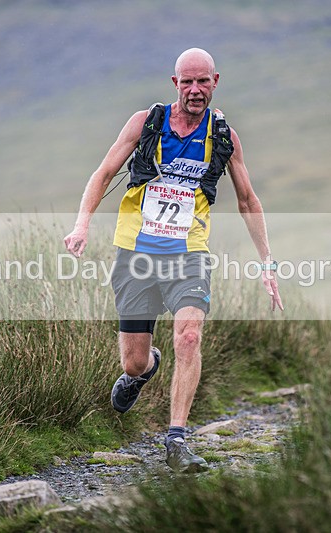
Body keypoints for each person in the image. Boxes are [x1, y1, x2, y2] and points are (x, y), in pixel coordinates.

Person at [64, 48, 283, 473]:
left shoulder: (223, 137)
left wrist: (268, 264)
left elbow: (247, 200)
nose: (196, 90)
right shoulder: (146, 122)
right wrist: (81, 225)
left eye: (203, 82)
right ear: (175, 83)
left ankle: (177, 440)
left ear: (215, 82)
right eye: (188, 82)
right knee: (134, 360)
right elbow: (104, 172)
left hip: (189, 254)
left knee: (189, 336)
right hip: (136, 253)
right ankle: (143, 371)